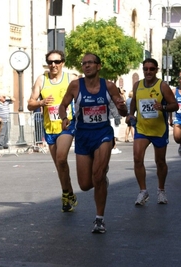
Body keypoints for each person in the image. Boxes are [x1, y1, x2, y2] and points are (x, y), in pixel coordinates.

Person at [59, 53, 127, 233]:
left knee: (97, 175)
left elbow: (123, 111)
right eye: (84, 63)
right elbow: (62, 105)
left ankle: (99, 219)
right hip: (82, 136)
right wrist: (64, 118)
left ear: (99, 66)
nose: (86, 66)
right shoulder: (75, 86)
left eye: (90, 63)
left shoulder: (109, 86)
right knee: (85, 184)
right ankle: (102, 179)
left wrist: (122, 107)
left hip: (103, 133)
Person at [27, 49, 78, 212]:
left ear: (62, 63)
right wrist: (41, 103)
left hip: (66, 127)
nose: (53, 65)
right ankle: (69, 192)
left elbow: (83, 98)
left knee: (62, 159)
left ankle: (65, 195)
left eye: (56, 62)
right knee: (59, 165)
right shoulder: (42, 80)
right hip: (50, 128)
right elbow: (30, 103)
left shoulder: (71, 79)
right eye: (50, 62)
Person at [126, 58, 178, 205]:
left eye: (151, 69)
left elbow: (175, 105)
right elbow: (134, 103)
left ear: (156, 70)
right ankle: (143, 191)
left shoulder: (163, 86)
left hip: (159, 130)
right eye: (146, 69)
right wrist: (131, 115)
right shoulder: (137, 85)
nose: (148, 71)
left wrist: (163, 108)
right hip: (142, 129)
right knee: (137, 158)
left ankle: (161, 190)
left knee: (160, 162)